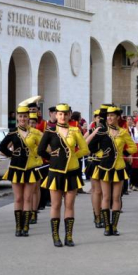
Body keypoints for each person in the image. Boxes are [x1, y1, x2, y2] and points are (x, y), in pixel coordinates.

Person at [38, 103, 90, 247]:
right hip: (55, 172)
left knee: (69, 205)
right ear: (56, 115)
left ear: (69, 115)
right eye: (60, 114)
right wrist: (51, 157)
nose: (62, 116)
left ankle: (69, 236)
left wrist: (73, 155)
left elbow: (85, 149)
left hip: (72, 171)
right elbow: (40, 150)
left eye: (65, 114)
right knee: (55, 205)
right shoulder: (50, 131)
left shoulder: (75, 130)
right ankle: (56, 236)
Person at [88, 106, 137, 236]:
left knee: (116, 197)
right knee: (106, 196)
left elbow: (133, 147)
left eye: (112, 115)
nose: (109, 118)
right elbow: (90, 147)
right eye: (108, 116)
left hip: (119, 167)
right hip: (104, 167)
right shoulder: (102, 131)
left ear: (118, 117)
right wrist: (102, 153)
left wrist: (123, 152)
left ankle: (114, 227)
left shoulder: (123, 132)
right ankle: (106, 225)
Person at [0, 103, 43, 237]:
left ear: (29, 118)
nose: (23, 119)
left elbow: (42, 148)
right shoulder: (13, 132)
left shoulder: (35, 133)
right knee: (18, 198)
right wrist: (12, 154)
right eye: (20, 116)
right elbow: (2, 147)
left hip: (30, 168)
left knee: (28, 198)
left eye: (25, 116)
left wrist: (37, 155)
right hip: (16, 168)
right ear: (17, 118)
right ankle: (18, 226)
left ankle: (26, 226)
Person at [85, 108, 106, 228]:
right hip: (95, 163)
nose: (101, 120)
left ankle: (103, 213)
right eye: (98, 117)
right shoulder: (91, 130)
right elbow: (83, 145)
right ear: (95, 119)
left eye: (102, 117)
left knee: (105, 192)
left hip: (107, 163)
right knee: (97, 190)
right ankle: (97, 215)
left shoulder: (109, 131)